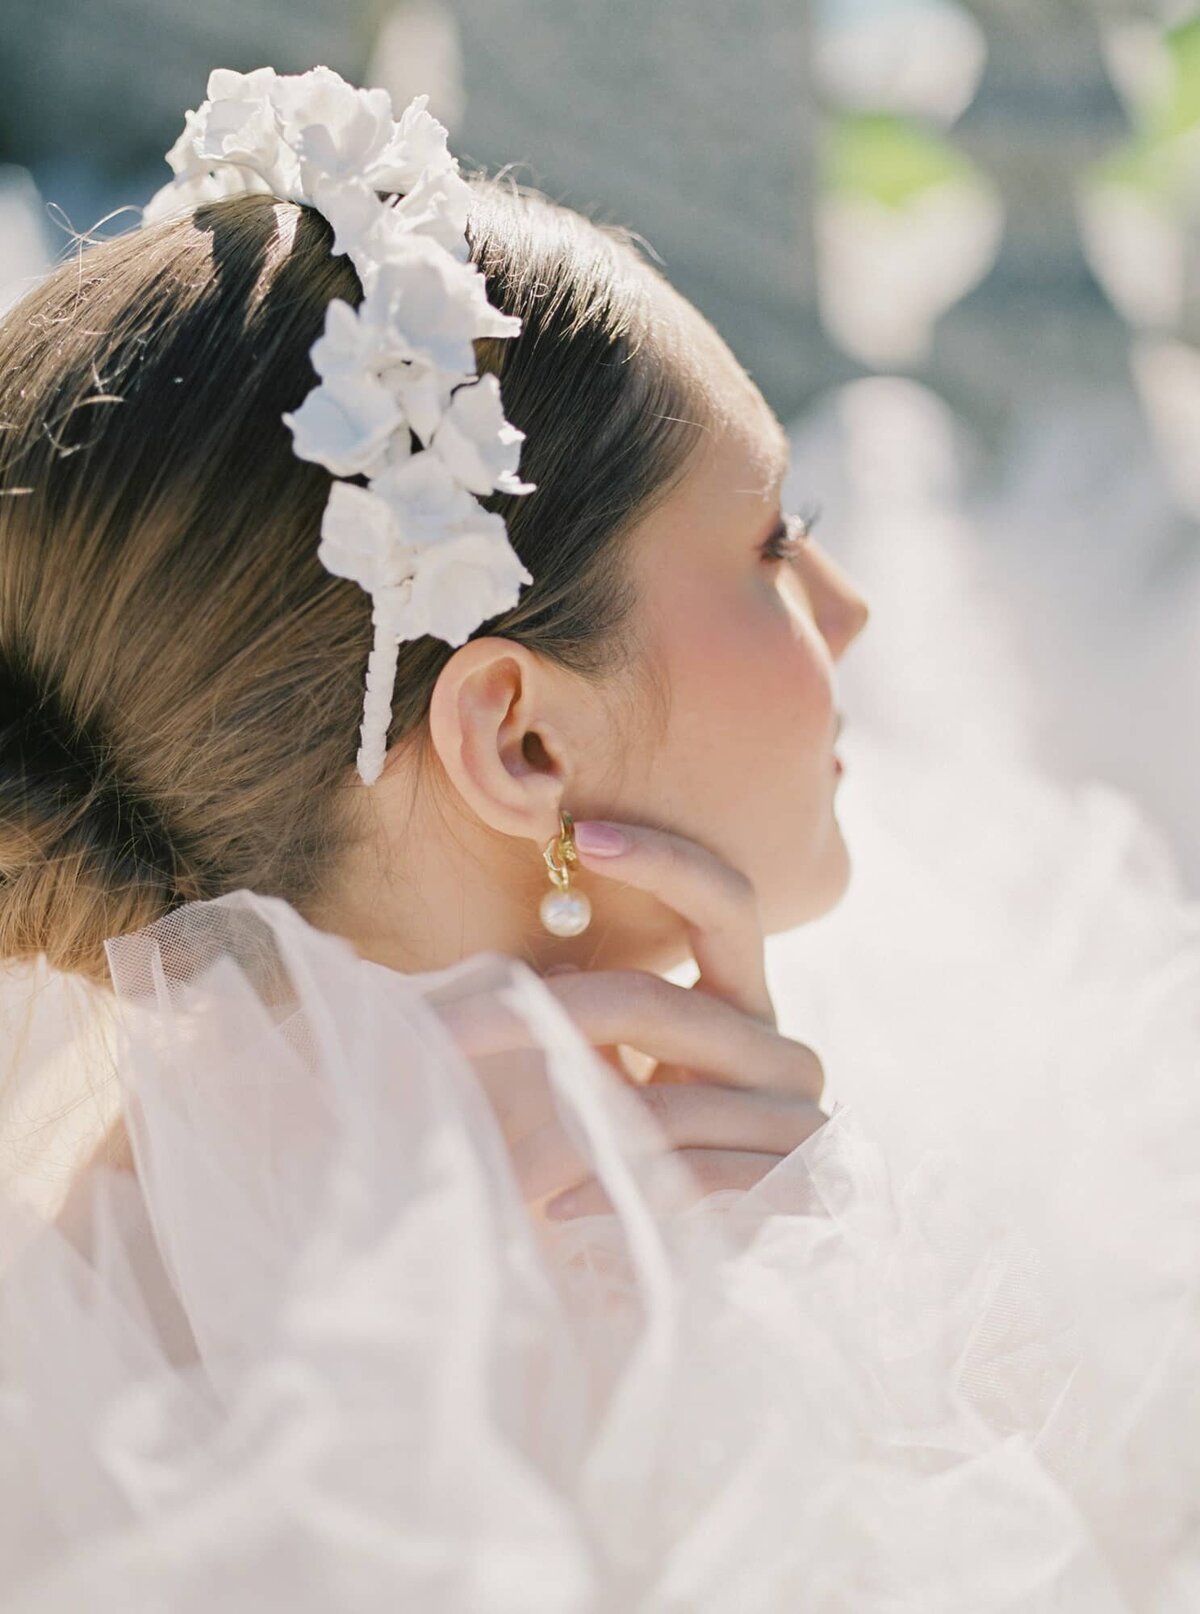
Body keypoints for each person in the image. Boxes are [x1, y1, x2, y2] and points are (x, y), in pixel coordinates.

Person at [1, 67, 1198, 1611]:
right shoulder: (417, 1413)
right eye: (776, 541)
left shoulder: (127, 1195)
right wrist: (810, 1291)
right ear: (524, 739)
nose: (853, 609)